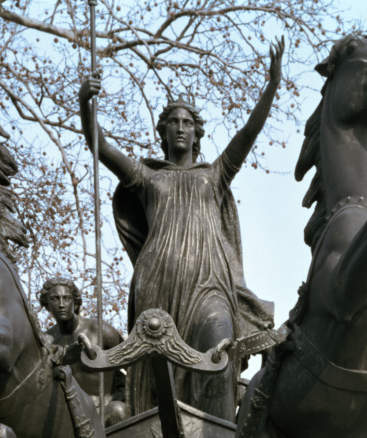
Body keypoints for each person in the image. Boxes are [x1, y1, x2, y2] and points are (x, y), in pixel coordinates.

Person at [78, 37, 284, 421]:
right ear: (163, 130)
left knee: (219, 345)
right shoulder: (146, 178)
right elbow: (99, 145)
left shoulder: (215, 174)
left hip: (209, 284)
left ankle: (219, 428)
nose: (180, 128)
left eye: (187, 123)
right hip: (158, 283)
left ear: (197, 133)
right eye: (173, 122)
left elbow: (247, 136)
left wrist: (272, 85)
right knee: (159, 378)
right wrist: (84, 102)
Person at [39, 276, 128, 425]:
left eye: (66, 298)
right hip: (70, 415)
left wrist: (122, 394)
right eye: (55, 299)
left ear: (75, 303)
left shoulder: (99, 330)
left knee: (118, 410)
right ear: (47, 305)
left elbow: (131, 364)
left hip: (105, 409)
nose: (61, 304)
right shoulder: (47, 342)